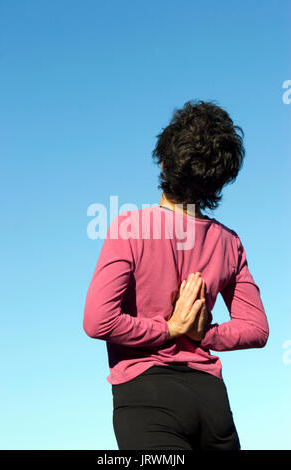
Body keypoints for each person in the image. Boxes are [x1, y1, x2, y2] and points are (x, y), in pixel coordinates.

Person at [83, 99, 269, 450]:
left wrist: (170, 329)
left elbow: (97, 322)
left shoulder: (130, 227)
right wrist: (205, 335)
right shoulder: (230, 242)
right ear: (220, 178)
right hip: (212, 403)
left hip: (146, 397)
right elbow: (258, 330)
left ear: (165, 160)